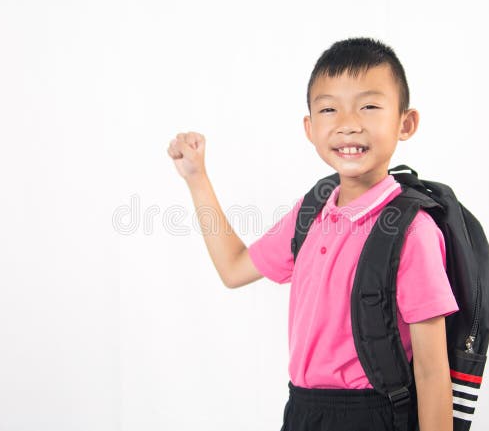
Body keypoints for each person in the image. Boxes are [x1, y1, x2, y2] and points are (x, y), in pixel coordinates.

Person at [167, 37, 459, 431]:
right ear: (309, 127)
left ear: (405, 123)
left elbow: (431, 372)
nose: (348, 123)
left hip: (374, 416)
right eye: (328, 109)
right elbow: (233, 268)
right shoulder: (310, 213)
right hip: (303, 411)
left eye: (369, 106)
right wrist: (197, 179)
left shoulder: (411, 231)